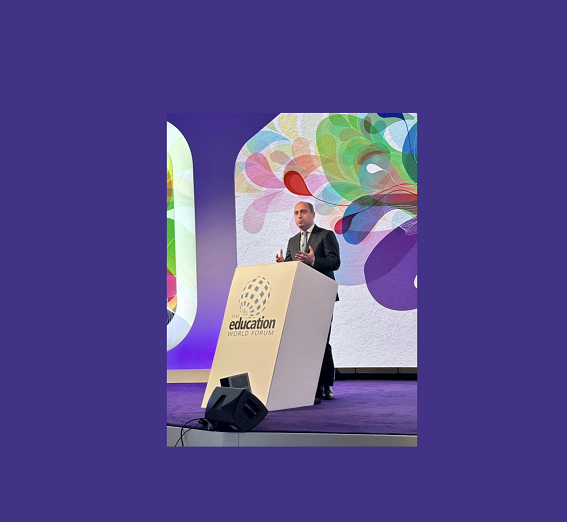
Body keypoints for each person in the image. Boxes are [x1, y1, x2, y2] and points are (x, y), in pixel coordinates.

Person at [276, 201, 341, 400]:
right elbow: (292, 268)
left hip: (322, 295)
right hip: (301, 298)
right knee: (305, 342)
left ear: (313, 214)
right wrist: (283, 265)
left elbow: (335, 262)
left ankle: (326, 385)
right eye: (296, 213)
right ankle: (310, 385)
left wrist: (314, 260)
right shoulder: (292, 240)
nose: (299, 216)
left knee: (322, 340)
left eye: (303, 212)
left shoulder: (326, 235)